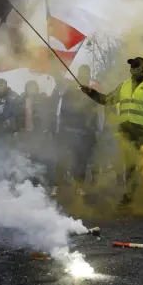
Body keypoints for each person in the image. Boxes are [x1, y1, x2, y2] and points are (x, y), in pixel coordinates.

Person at [81, 56, 143, 205]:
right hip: (126, 130)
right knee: (129, 163)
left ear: (142, 68)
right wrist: (90, 93)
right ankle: (130, 195)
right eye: (131, 66)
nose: (132, 69)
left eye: (135, 66)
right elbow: (106, 100)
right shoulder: (123, 86)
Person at [51, 65, 99, 196]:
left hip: (83, 133)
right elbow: (64, 109)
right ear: (78, 74)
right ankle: (56, 185)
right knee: (62, 158)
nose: (84, 76)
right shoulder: (70, 90)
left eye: (86, 74)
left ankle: (79, 185)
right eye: (82, 73)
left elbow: (94, 114)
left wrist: (93, 129)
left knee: (81, 161)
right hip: (68, 131)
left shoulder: (91, 93)